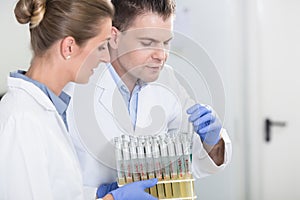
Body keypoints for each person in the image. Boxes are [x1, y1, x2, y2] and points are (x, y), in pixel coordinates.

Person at [67, 0, 232, 198]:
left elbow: (189, 162)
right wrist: (98, 195)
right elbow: (47, 183)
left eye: (166, 42)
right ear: (114, 37)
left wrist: (212, 142)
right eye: (148, 43)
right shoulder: (74, 88)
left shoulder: (167, 81)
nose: (161, 55)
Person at [0, 0, 158, 199]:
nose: (106, 58)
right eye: (101, 47)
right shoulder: (22, 120)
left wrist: (97, 194)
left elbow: (56, 191)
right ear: (69, 47)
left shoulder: (45, 109)